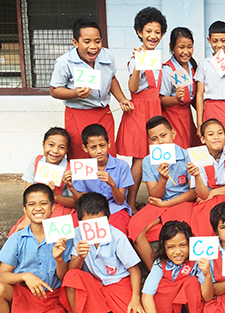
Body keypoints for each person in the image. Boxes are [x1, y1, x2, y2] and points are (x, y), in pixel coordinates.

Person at [0, 184, 73, 313]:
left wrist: (59, 259)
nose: (38, 208)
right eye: (32, 204)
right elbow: (2, 276)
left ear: (53, 207)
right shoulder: (18, 238)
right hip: (24, 294)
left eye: (43, 203)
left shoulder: (63, 237)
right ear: (25, 210)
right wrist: (25, 275)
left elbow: (65, 278)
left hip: (52, 298)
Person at [60, 193, 147, 313]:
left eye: (99, 222)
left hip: (118, 283)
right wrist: (79, 257)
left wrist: (135, 298)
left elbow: (134, 270)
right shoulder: (78, 233)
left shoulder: (117, 236)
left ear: (108, 219)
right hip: (94, 283)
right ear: (80, 223)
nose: (93, 228)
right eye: (88, 224)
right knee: (71, 276)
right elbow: (72, 271)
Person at [50, 17, 133, 159]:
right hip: (77, 114)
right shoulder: (64, 62)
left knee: (106, 155)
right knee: (80, 155)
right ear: (75, 42)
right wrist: (75, 93)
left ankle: (107, 182)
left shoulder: (108, 56)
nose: (93, 46)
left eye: (98, 41)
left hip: (103, 114)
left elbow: (112, 79)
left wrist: (122, 99)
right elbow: (54, 90)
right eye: (87, 42)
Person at [127, 116, 196, 270]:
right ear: (150, 142)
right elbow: (154, 195)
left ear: (173, 133)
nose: (161, 142)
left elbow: (193, 193)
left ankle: (183, 272)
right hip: (158, 203)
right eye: (154, 138)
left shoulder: (187, 156)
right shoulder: (147, 161)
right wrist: (163, 179)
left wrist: (167, 204)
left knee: (179, 231)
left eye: (164, 135)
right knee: (134, 227)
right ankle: (154, 271)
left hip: (182, 201)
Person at [117, 7, 167, 214]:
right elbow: (132, 88)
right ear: (139, 32)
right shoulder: (135, 58)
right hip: (139, 110)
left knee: (156, 155)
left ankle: (157, 198)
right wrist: (137, 65)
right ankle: (130, 202)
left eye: (157, 32)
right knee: (138, 158)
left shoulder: (158, 59)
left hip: (155, 108)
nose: (153, 36)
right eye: (148, 31)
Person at [141, 221, 212, 313]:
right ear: (164, 247)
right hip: (167, 309)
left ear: (190, 244)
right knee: (163, 286)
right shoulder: (160, 263)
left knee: (192, 282)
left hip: (189, 308)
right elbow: (146, 296)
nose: (177, 252)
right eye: (171, 247)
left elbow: (207, 297)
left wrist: (207, 274)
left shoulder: (197, 261)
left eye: (183, 245)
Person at [64, 124, 133, 234]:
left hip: (115, 208)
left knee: (117, 231)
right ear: (85, 148)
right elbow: (84, 201)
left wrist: (112, 184)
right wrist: (71, 187)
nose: (99, 151)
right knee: (73, 230)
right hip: (90, 209)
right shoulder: (83, 168)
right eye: (93, 147)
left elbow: (120, 201)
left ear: (109, 143)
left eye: (102, 145)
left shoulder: (121, 166)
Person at [9, 127, 77, 235]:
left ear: (67, 150)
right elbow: (27, 193)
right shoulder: (36, 162)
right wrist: (27, 218)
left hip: (60, 207)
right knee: (19, 232)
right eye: (51, 145)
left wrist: (55, 196)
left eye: (61, 147)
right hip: (37, 205)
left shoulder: (70, 169)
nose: (55, 151)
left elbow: (74, 202)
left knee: (53, 235)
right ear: (43, 144)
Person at [187, 119, 225, 237]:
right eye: (210, 134)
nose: (216, 137)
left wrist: (214, 192)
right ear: (203, 139)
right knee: (205, 230)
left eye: (220, 133)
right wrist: (197, 175)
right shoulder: (197, 157)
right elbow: (203, 195)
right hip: (207, 201)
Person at [194, 21, 225, 148]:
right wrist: (199, 121)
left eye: (223, 40)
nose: (219, 45)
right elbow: (199, 94)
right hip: (211, 107)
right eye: (215, 41)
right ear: (209, 41)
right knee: (211, 146)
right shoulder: (204, 64)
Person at [160, 27, 199, 148]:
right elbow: (161, 99)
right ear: (172, 47)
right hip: (172, 118)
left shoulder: (192, 65)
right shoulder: (168, 69)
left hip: (187, 117)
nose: (186, 51)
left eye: (190, 46)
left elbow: (192, 96)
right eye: (181, 47)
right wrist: (176, 99)